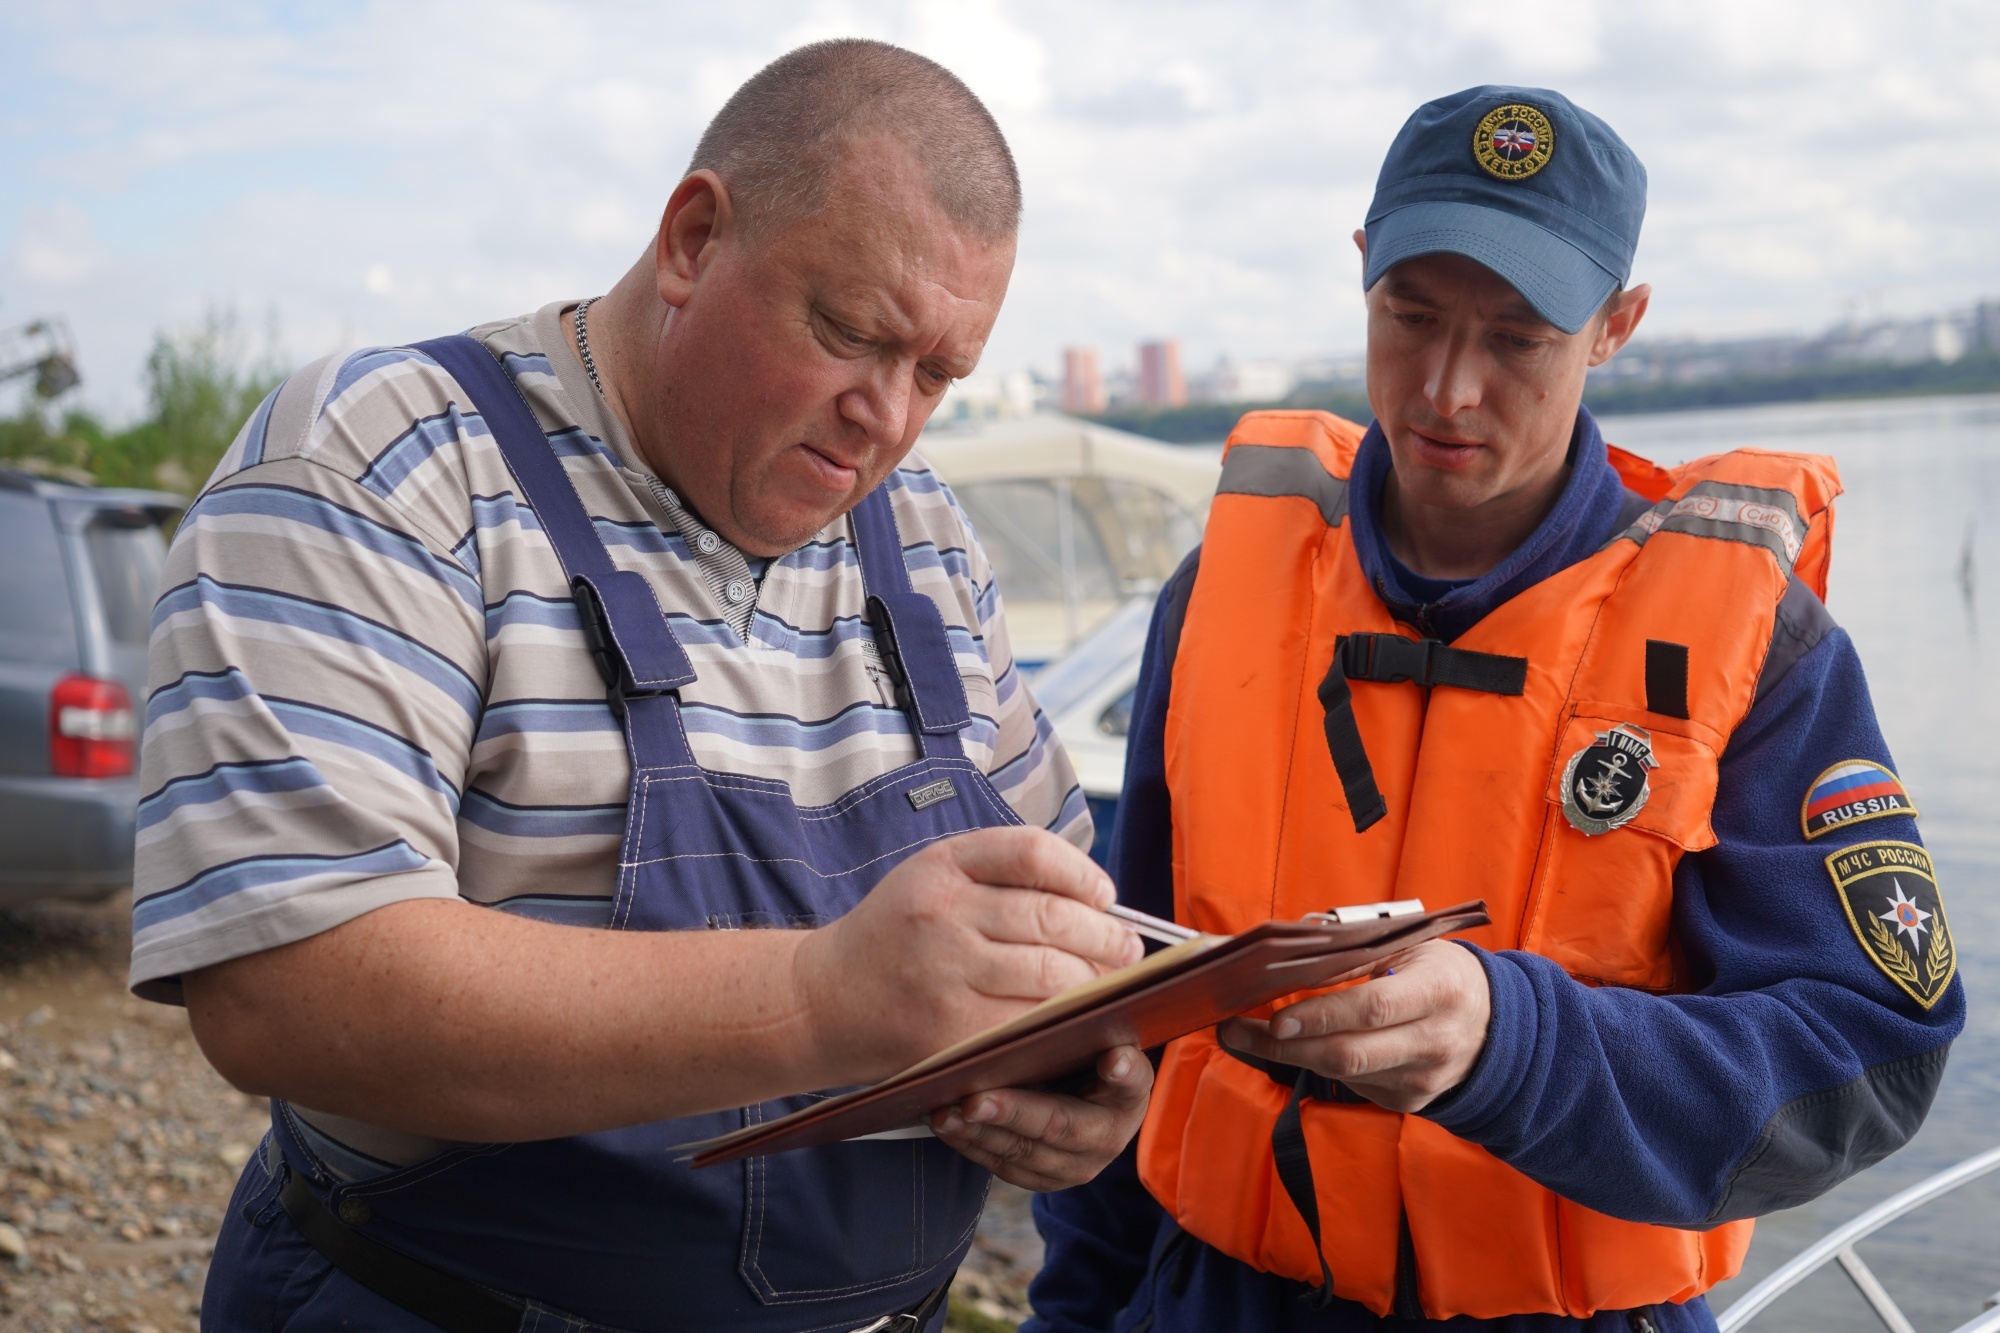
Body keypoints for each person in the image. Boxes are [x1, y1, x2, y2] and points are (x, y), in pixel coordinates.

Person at [133, 40, 1155, 1333]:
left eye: (937, 374)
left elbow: (1052, 930)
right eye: (849, 332)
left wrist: (1084, 1071)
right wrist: (821, 997)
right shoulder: (384, 464)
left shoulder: (931, 540)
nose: (885, 418)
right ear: (691, 238)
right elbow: (288, 987)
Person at [1026, 85, 1963, 1333]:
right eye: (1408, 318)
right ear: (1360, 271)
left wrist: (1510, 1043)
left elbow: (1870, 1052)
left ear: (1613, 326)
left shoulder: (1753, 639)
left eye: (1517, 339)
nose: (1446, 391)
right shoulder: (1218, 593)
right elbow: (1129, 1005)